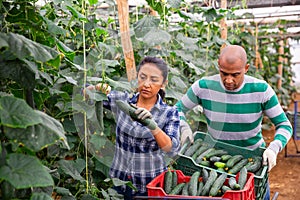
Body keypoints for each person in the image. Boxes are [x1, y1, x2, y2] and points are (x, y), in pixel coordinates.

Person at [176, 45, 293, 200]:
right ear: (218, 64)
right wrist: (184, 128)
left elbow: (284, 125)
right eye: (224, 73)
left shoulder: (261, 90)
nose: (228, 80)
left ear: (246, 68)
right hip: (213, 163)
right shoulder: (203, 87)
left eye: (235, 74)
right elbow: (176, 110)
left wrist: (274, 148)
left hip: (252, 164)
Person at [84, 56, 180, 199]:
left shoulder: (169, 113)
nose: (147, 84)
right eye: (142, 77)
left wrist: (152, 126)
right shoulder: (122, 101)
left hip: (150, 187)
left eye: (154, 80)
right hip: (119, 182)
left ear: (163, 83)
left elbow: (171, 149)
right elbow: (85, 92)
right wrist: (97, 88)